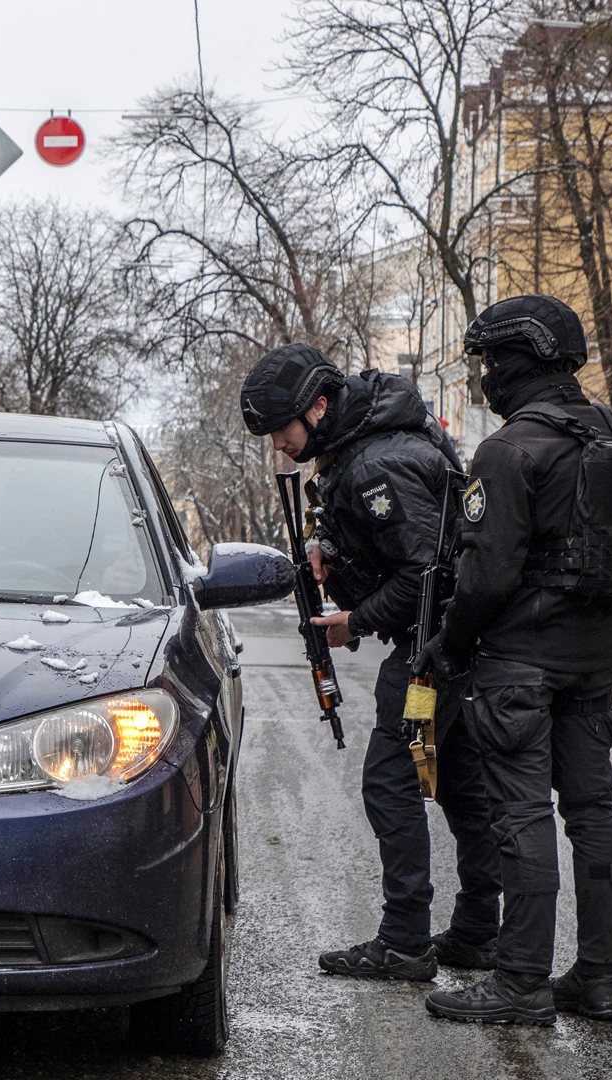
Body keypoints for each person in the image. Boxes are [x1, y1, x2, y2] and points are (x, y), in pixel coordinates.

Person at [420, 294, 612, 1026]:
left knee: (520, 817)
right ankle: (598, 979)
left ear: (518, 361)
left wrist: (449, 646)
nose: (486, 375)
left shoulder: (509, 449)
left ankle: (519, 984)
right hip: (595, 661)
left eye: (490, 361)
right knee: (594, 814)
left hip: (519, 665)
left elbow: (485, 576)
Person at [240, 344, 501, 983]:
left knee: (395, 779)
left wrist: (354, 622)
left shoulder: (376, 464)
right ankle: (475, 931)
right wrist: (328, 541)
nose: (279, 444)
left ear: (320, 407)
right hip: (449, 647)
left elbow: (426, 574)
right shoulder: (368, 443)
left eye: (283, 429)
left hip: (427, 655)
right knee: (454, 778)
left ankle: (406, 942)